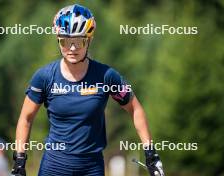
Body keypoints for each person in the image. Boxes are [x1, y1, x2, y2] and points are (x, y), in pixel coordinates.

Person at [11, 4, 165, 176]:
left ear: (89, 40)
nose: (72, 48)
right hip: (54, 166)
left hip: (91, 167)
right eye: (65, 41)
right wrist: (19, 160)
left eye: (78, 41)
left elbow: (135, 109)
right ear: (58, 40)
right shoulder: (44, 77)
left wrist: (151, 153)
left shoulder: (106, 76)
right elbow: (26, 118)